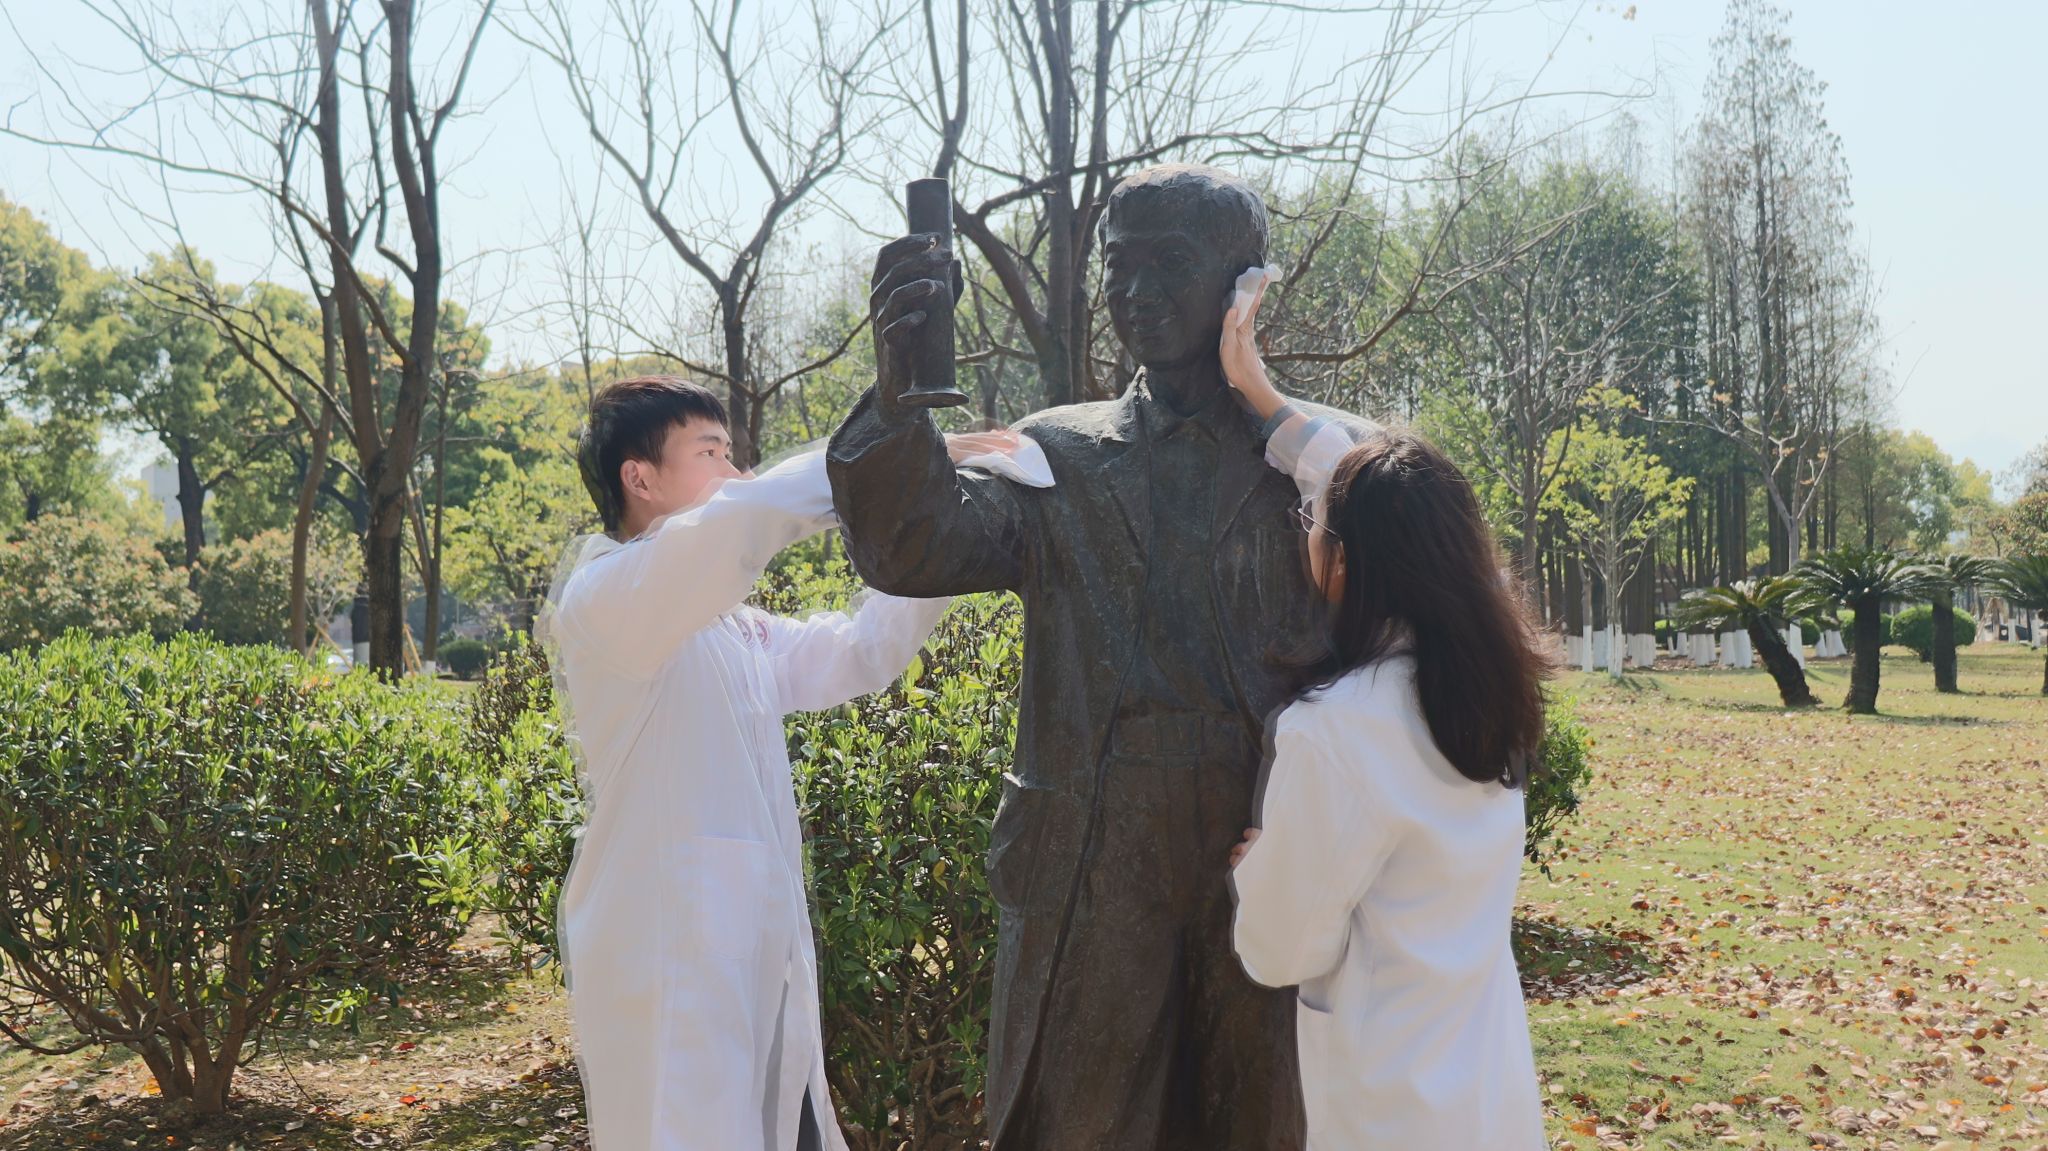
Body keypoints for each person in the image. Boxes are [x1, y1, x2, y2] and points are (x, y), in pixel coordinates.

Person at [828, 164, 1377, 1150]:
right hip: (1091, 858)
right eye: (1119, 265)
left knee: (1263, 1119)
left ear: (1244, 287)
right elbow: (913, 546)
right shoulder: (1062, 455)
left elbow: (1425, 636)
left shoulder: (1322, 462)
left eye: (1170, 263)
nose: (1135, 291)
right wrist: (898, 391)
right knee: (1085, 1121)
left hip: (1265, 840)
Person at [542, 375, 1026, 1151]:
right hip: (673, 968)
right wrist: (891, 462)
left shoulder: (735, 631)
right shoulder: (606, 601)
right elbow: (740, 520)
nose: (735, 471)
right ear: (640, 477)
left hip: (757, 961)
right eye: (710, 453)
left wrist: (933, 526)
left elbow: (861, 652)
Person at [1220, 286, 1553, 1150]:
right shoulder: (1491, 693)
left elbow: (1277, 949)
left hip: (1389, 1109)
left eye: (1314, 520)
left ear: (1342, 564)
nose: (1307, 528)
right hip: (1488, 1093)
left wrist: (1263, 868)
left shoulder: (1335, 732)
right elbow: (1404, 504)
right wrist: (1261, 392)